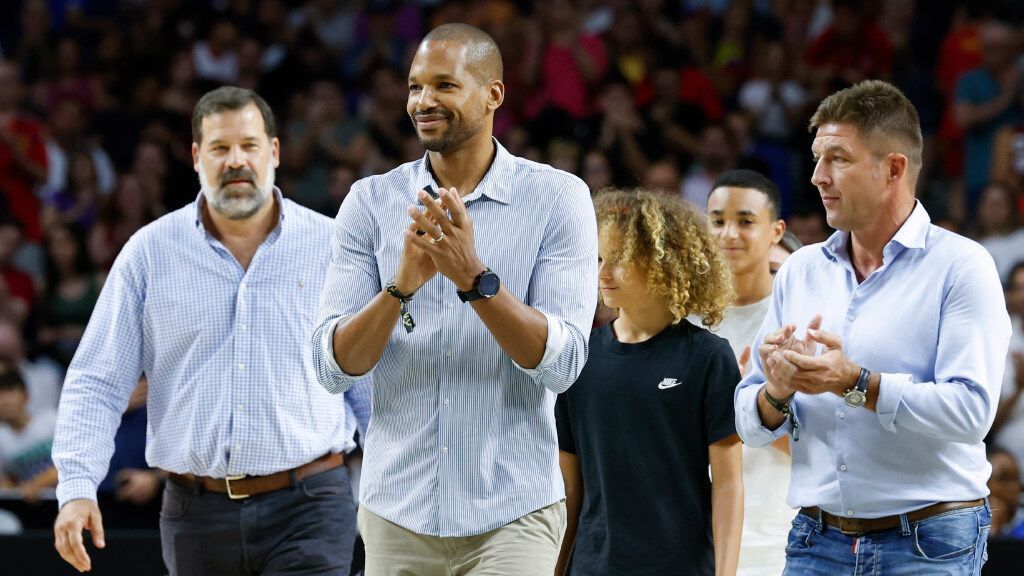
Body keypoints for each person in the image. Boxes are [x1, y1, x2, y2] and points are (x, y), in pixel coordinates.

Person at [312, 23, 597, 575]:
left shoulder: (558, 198)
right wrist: (400, 288)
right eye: (416, 87)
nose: (424, 101)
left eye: (444, 85)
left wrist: (474, 279)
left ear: (494, 94)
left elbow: (562, 365)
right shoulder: (370, 202)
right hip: (397, 509)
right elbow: (333, 368)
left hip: (514, 511)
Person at [51, 87, 368, 576]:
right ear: (197, 157)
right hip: (194, 510)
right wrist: (76, 488)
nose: (235, 160)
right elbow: (97, 381)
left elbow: (371, 381)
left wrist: (399, 490)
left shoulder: (332, 247)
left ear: (275, 153)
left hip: (312, 503)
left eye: (249, 145)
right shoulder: (150, 254)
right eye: (220, 148)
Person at [735, 79, 1011, 575]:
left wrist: (858, 383)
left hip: (928, 543)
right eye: (817, 158)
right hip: (813, 539)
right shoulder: (799, 270)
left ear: (893, 168)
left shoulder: (963, 266)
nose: (818, 176)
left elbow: (971, 412)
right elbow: (749, 421)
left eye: (837, 158)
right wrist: (775, 391)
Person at [555, 188, 742, 576]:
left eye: (620, 259)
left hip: (682, 566)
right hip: (593, 567)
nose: (603, 274)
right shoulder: (579, 355)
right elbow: (570, 488)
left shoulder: (709, 357)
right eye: (599, 258)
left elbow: (728, 484)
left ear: (665, 260)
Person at [703, 169, 791, 575]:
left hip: (778, 536)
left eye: (745, 221)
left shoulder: (795, 321)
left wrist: (752, 402)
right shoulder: (681, 322)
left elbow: (822, 445)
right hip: (695, 536)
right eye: (718, 221)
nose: (728, 234)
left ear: (776, 231)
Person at [0, 364, 58, 502]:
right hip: (31, 510)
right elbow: (7, 480)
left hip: (74, 502)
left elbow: (75, 461)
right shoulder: (1, 440)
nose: (4, 401)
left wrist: (37, 484)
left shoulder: (52, 420)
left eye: (10, 391)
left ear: (26, 396)